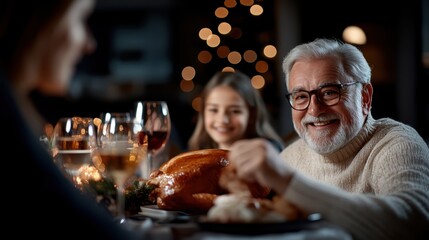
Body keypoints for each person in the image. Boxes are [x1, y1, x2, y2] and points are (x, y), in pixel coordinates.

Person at [228, 38, 429, 239]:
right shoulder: (289, 158)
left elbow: (414, 221)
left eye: (330, 92)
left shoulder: (397, 144)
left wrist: (288, 181)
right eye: (301, 96)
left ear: (365, 97)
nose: (314, 109)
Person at [0, 1, 140, 239]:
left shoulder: (17, 105)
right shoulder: (6, 115)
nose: (89, 45)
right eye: (80, 19)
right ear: (44, 24)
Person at [188, 70, 284, 151]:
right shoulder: (196, 153)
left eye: (235, 111)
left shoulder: (268, 153)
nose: (223, 120)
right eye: (213, 110)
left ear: (251, 114)